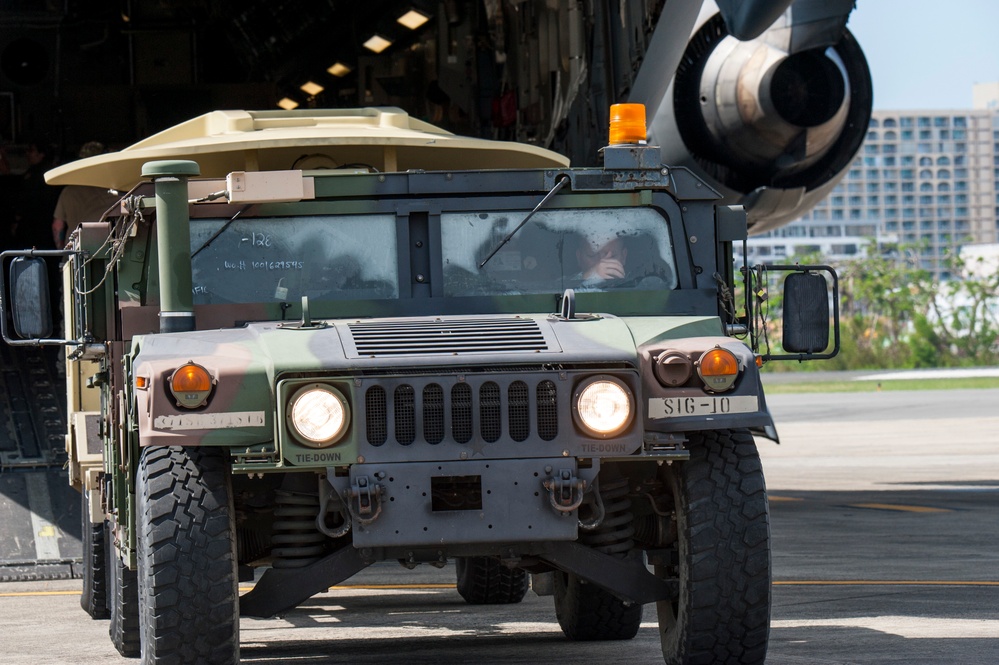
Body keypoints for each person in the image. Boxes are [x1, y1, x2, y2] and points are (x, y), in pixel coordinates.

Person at [51, 141, 119, 247]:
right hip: (106, 252)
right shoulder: (115, 190)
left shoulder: (68, 192)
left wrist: (62, 250)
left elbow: (57, 226)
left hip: (74, 253)